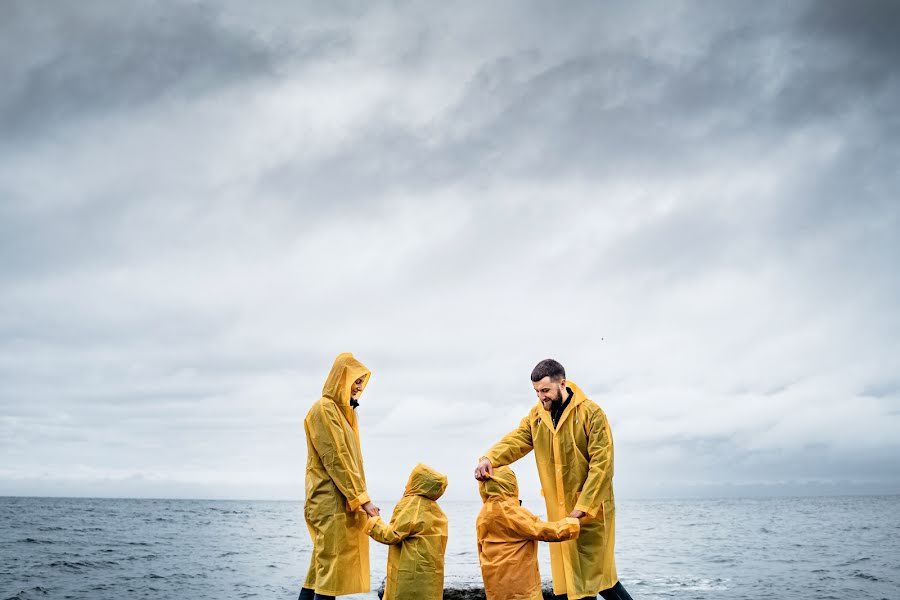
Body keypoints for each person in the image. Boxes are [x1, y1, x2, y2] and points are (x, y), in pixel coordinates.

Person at [474, 359, 633, 600]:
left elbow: (602, 467)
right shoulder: (537, 416)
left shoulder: (591, 413)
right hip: (560, 513)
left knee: (599, 580)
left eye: (545, 390)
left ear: (563, 384)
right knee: (571, 583)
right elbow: (517, 440)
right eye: (537, 391)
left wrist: (581, 510)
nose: (541, 397)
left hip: (590, 513)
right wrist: (489, 458)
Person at [299, 353, 381, 600]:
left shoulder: (344, 413)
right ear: (340, 379)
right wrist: (362, 498)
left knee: (318, 574)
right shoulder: (324, 409)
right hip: (330, 503)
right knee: (330, 577)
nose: (359, 387)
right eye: (355, 380)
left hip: (340, 503)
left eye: (361, 382)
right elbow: (337, 459)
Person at [477, 465, 580, 600]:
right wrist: (574, 523)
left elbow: (481, 549)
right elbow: (545, 531)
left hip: (495, 586)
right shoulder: (513, 512)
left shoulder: (483, 514)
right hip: (521, 587)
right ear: (510, 484)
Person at [367, 463, 449, 600]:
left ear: (417, 482)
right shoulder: (436, 510)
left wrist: (374, 520)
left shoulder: (412, 503)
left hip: (409, 575)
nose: (406, 485)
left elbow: (391, 535)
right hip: (430, 577)